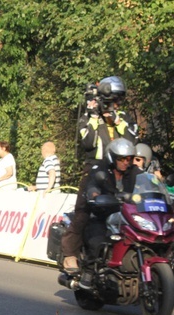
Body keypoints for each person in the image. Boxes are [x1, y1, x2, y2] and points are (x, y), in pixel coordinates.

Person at [61, 75, 138, 274]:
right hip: (95, 169)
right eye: (114, 100)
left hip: (121, 169)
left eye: (120, 100)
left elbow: (132, 140)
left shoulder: (124, 118)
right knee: (84, 211)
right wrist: (94, 117)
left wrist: (116, 119)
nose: (117, 104)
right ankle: (70, 254)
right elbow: (88, 143)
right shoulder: (88, 118)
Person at [79, 138, 143, 288]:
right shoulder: (100, 169)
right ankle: (88, 272)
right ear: (112, 157)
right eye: (122, 159)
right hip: (103, 213)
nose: (126, 162)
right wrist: (94, 194)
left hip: (127, 216)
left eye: (129, 159)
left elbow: (149, 181)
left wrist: (161, 188)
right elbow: (93, 184)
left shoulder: (134, 172)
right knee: (97, 240)